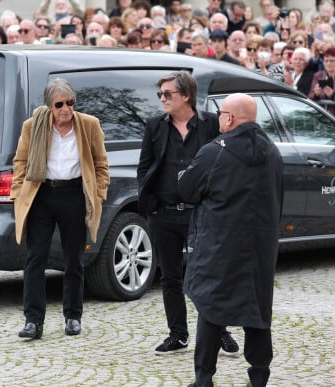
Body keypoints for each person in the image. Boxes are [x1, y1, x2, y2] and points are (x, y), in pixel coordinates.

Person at [178, 93, 283, 387]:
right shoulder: (272, 151)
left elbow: (187, 189)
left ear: (231, 118)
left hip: (219, 243)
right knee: (256, 310)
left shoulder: (215, 151)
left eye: (221, 113)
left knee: (211, 308)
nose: (219, 118)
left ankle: (203, 379)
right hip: (259, 247)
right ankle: (259, 377)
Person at [137, 70, 239, 356]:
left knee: (208, 274)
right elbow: (144, 168)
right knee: (170, 277)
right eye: (160, 94)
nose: (162, 99)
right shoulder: (155, 126)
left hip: (201, 214)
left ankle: (219, 331)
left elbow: (225, 163)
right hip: (165, 214)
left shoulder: (210, 124)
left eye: (167, 94)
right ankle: (178, 335)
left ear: (186, 95)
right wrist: (153, 204)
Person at [11, 78, 109, 340]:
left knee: (74, 259)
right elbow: (20, 162)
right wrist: (18, 193)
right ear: (49, 106)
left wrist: (99, 193)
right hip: (42, 194)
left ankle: (73, 316)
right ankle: (33, 321)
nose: (66, 109)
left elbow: (101, 164)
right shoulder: (33, 126)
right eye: (60, 104)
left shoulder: (88, 124)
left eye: (71, 103)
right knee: (35, 259)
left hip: (74, 194)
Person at [308, 47, 335, 122]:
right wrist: (316, 94)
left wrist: (333, 96)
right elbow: (309, 96)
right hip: (320, 118)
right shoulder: (318, 75)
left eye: (332, 61)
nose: (329, 63)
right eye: (326, 61)